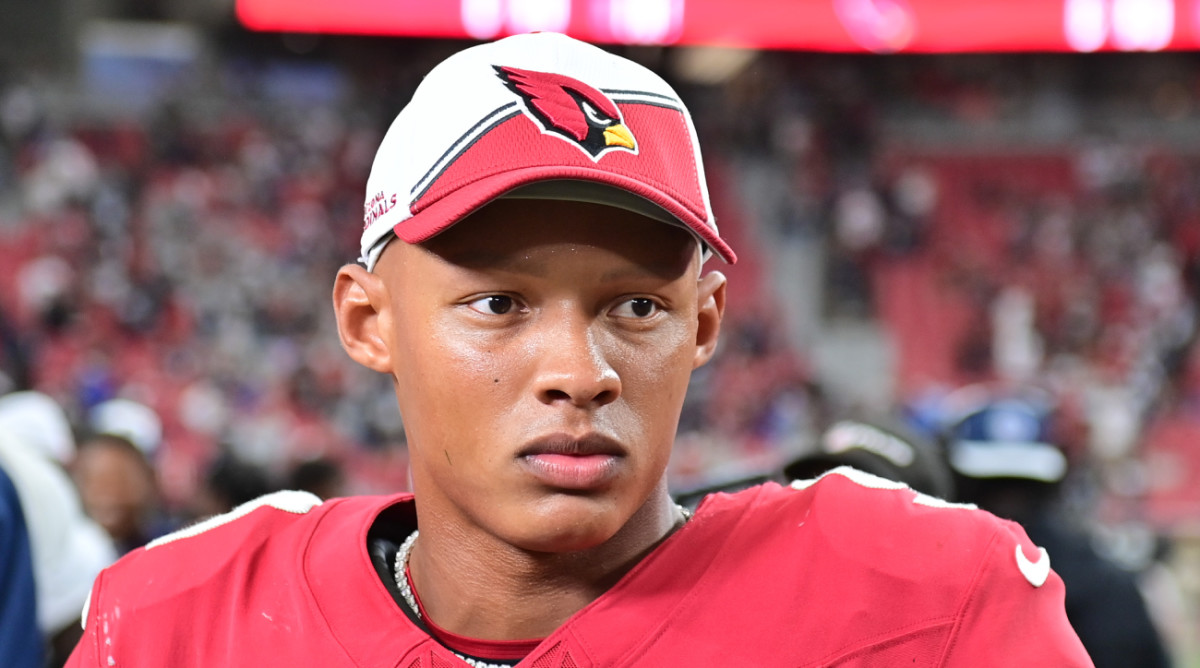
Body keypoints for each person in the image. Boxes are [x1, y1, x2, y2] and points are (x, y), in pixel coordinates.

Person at [67, 33, 1091, 666]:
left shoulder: (930, 602)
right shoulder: (180, 622)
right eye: (500, 301)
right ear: (368, 321)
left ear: (705, 323)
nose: (579, 368)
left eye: (636, 308)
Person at [944, 384, 1171, 668]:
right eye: (994, 489)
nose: (1007, 506)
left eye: (1020, 489)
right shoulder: (1109, 586)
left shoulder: (1109, 589)